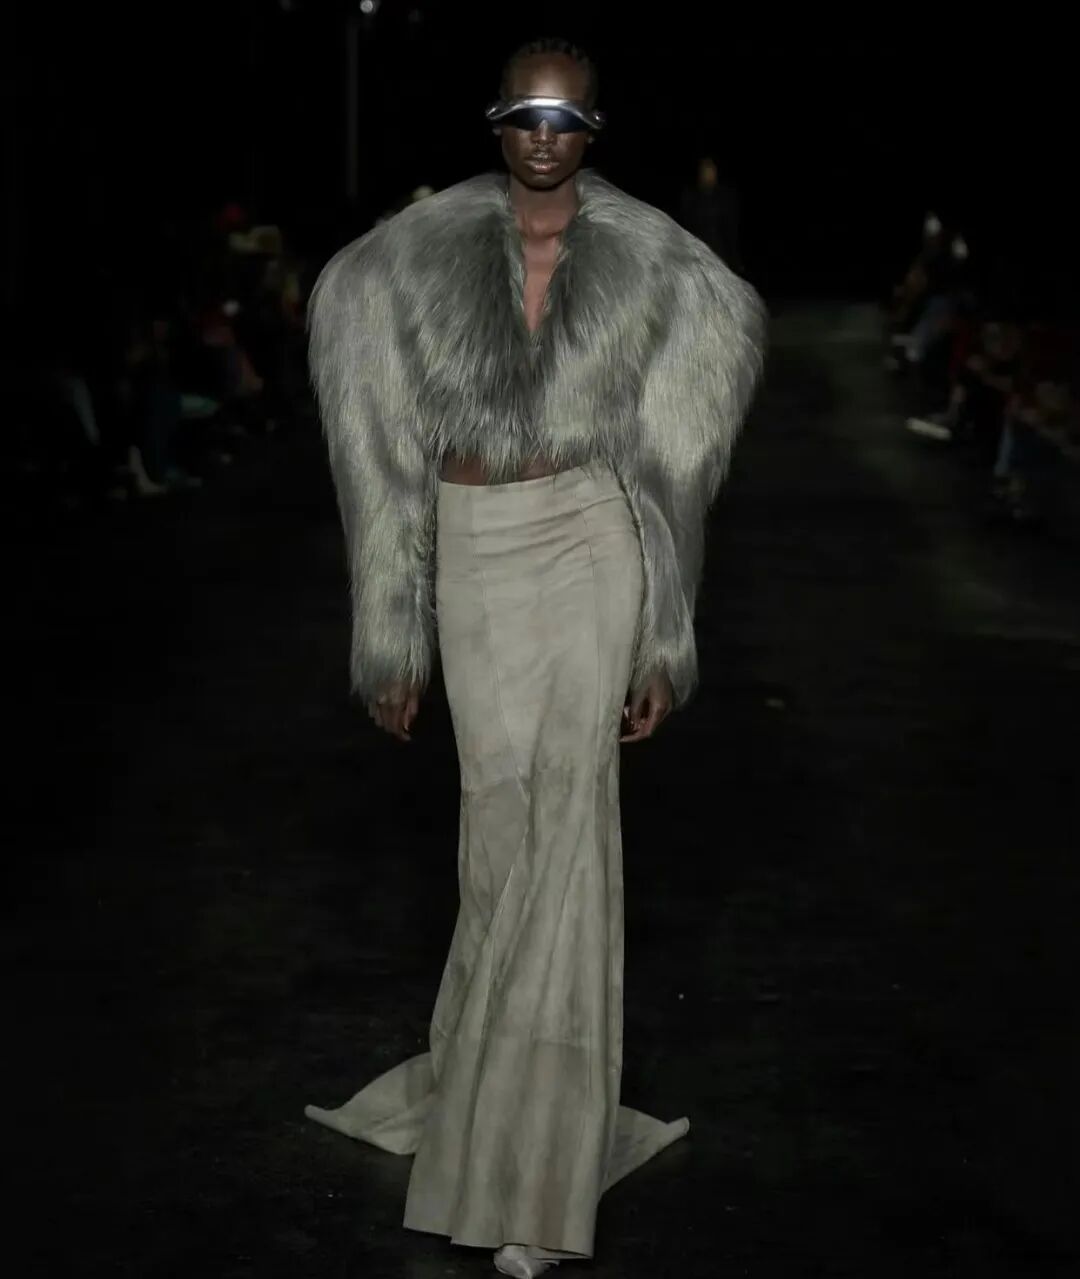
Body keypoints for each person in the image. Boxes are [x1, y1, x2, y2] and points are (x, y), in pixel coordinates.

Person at [303, 38, 766, 1278]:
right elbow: (378, 461)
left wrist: (663, 628)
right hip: (474, 550)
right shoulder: (403, 261)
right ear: (496, 121)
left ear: (594, 127)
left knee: (571, 824)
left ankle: (535, 1180)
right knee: (498, 832)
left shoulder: (658, 260)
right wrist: (392, 629)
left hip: (591, 539)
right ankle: (486, 1096)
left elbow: (673, 465)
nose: (545, 136)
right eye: (526, 114)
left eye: (567, 117)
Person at [679, 154, 743, 273]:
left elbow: (731, 232)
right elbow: (685, 226)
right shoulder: (690, 196)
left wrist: (735, 262)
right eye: (704, 170)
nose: (707, 174)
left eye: (710, 169)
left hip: (720, 257)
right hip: (697, 256)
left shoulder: (725, 196)